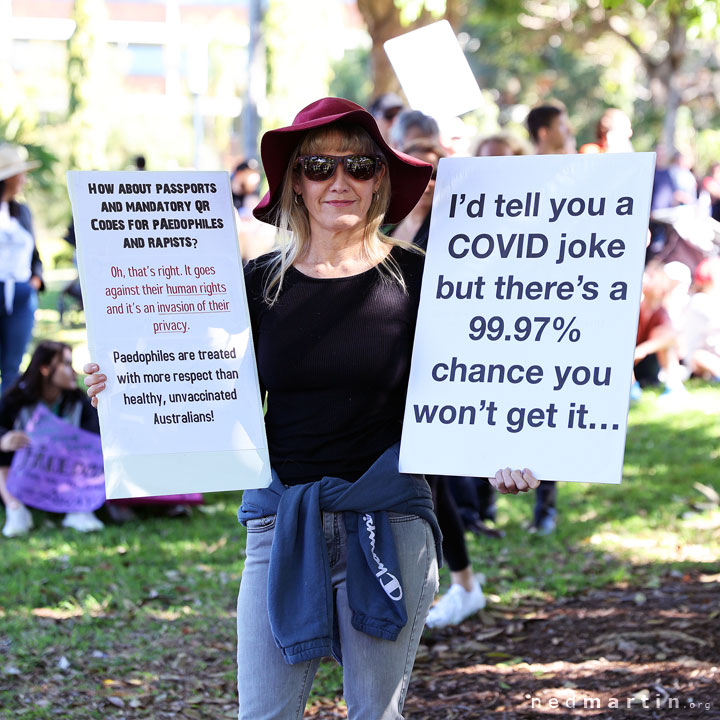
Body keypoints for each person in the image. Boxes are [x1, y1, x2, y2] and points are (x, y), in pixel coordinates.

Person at [84, 97, 539, 718]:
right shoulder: (257, 283)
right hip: (279, 521)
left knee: (374, 714)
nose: (340, 182)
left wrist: (507, 456)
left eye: (358, 165)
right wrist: (126, 387)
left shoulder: (423, 278)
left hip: (389, 519)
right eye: (319, 167)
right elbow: (189, 378)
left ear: (381, 177)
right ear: (295, 182)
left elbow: (475, 386)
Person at [1, 341, 104, 537]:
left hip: (69, 473)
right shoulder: (16, 399)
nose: (74, 372)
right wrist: (4, 439)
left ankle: (79, 510)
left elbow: (95, 438)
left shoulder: (78, 401)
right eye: (66, 364)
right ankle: (15, 509)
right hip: (26, 474)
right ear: (45, 369)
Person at [0, 144, 45, 395]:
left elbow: (35, 255)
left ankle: (5, 425)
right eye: (20, 174)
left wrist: (36, 279)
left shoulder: (22, 212)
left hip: (21, 295)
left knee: (12, 368)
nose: (24, 180)